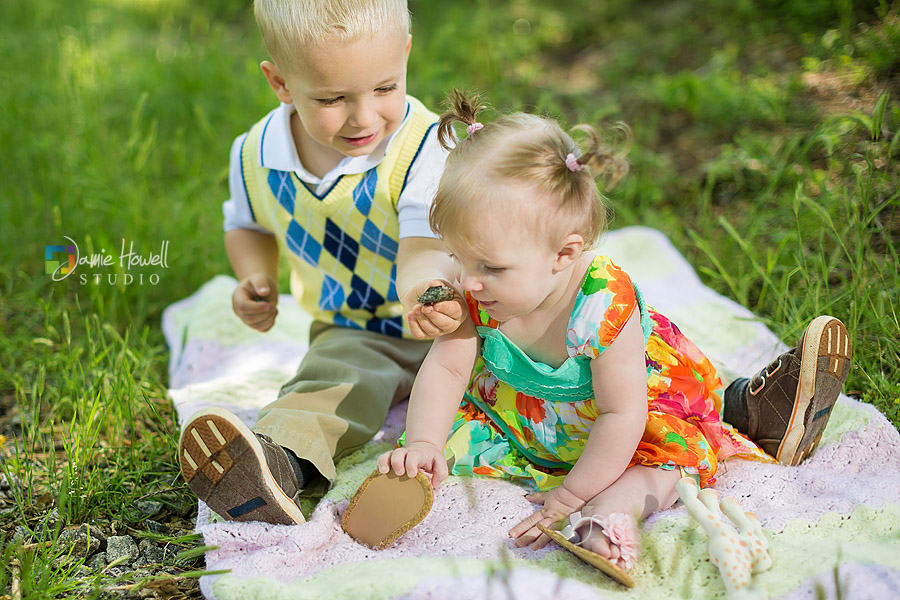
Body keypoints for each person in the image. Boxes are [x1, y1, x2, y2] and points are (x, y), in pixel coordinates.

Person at [377, 90, 852, 570]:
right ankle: (750, 414)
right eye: (458, 257)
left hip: (622, 419)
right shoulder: (479, 290)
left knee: (664, 464)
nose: (468, 281)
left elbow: (622, 413)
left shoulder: (602, 307)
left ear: (563, 254)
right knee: (449, 436)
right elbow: (445, 371)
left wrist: (572, 495)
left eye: (490, 266)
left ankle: (608, 518)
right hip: (532, 417)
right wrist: (424, 443)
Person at [178, 0, 466, 526]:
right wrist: (255, 277)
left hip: (464, 317)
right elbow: (248, 226)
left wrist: (427, 290)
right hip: (357, 328)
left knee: (520, 374)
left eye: (385, 88)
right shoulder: (256, 155)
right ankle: (278, 463)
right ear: (281, 83)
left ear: (404, 54)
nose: (365, 117)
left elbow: (423, 244)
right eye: (333, 98)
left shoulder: (426, 145)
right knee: (331, 385)